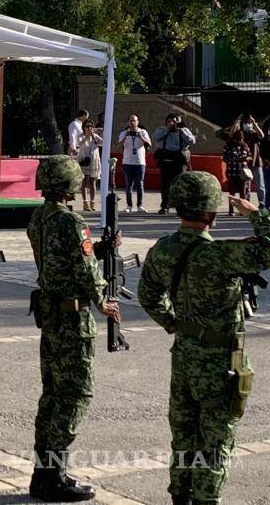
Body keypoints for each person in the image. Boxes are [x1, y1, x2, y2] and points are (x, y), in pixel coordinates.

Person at [137, 171, 265, 504]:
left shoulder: (163, 249)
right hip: (220, 359)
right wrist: (256, 214)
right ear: (211, 211)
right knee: (216, 439)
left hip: (184, 354)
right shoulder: (222, 255)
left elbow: (148, 294)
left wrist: (174, 324)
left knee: (184, 433)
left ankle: (180, 495)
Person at [26, 155, 121, 502]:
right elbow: (83, 270)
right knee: (74, 395)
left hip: (51, 316)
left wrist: (98, 248)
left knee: (52, 395)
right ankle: (55, 477)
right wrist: (102, 299)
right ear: (69, 184)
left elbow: (59, 259)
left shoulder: (39, 218)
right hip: (71, 319)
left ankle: (43, 472)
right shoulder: (71, 221)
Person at [153, 113, 196, 214]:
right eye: (171, 121)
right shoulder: (162, 129)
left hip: (179, 160)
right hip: (166, 159)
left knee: (180, 184)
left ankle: (180, 207)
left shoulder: (184, 130)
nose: (174, 123)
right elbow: (155, 137)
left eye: (176, 121)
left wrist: (181, 131)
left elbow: (192, 141)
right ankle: (165, 206)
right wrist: (168, 128)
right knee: (165, 184)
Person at [227, 113, 264, 208]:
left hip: (256, 162)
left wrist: (254, 124)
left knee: (259, 185)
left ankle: (262, 204)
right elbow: (231, 134)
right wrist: (236, 122)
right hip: (244, 165)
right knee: (245, 186)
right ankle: (247, 204)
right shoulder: (240, 134)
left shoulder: (254, 134)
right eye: (246, 123)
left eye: (249, 123)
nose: (247, 125)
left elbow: (262, 136)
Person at [118, 115, 152, 213]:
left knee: (140, 184)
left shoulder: (143, 132)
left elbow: (149, 144)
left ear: (138, 122)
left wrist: (140, 137)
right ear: (128, 122)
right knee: (128, 184)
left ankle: (140, 205)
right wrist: (125, 136)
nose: (132, 122)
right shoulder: (124, 133)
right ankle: (129, 205)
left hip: (140, 162)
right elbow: (119, 145)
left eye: (134, 121)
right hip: (127, 162)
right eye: (131, 121)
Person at [222, 130, 251, 216]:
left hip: (242, 172)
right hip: (231, 172)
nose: (240, 139)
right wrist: (235, 160)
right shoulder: (228, 146)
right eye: (239, 137)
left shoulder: (245, 145)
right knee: (232, 192)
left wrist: (246, 159)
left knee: (243, 192)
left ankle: (243, 210)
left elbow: (250, 156)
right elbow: (224, 158)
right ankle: (231, 210)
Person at [76, 120, 102, 212]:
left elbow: (102, 143)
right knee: (84, 182)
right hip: (84, 161)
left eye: (91, 126)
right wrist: (86, 137)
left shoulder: (95, 136)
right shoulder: (80, 136)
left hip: (94, 161)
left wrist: (94, 135)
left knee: (92, 182)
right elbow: (78, 144)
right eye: (87, 126)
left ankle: (92, 202)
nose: (89, 128)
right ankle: (85, 202)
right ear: (83, 127)